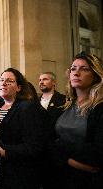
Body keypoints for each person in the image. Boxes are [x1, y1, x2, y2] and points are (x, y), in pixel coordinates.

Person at [0, 68, 50, 189]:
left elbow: (34, 147)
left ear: (18, 87)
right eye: (1, 80)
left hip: (16, 173)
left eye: (9, 81)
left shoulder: (26, 108)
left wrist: (2, 151)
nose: (3, 83)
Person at [49, 52, 103, 189]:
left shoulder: (99, 108)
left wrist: (60, 145)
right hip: (59, 177)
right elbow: (48, 144)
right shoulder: (63, 106)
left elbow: (98, 153)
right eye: (73, 68)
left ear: (96, 76)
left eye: (84, 69)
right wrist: (71, 161)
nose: (76, 73)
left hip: (88, 181)